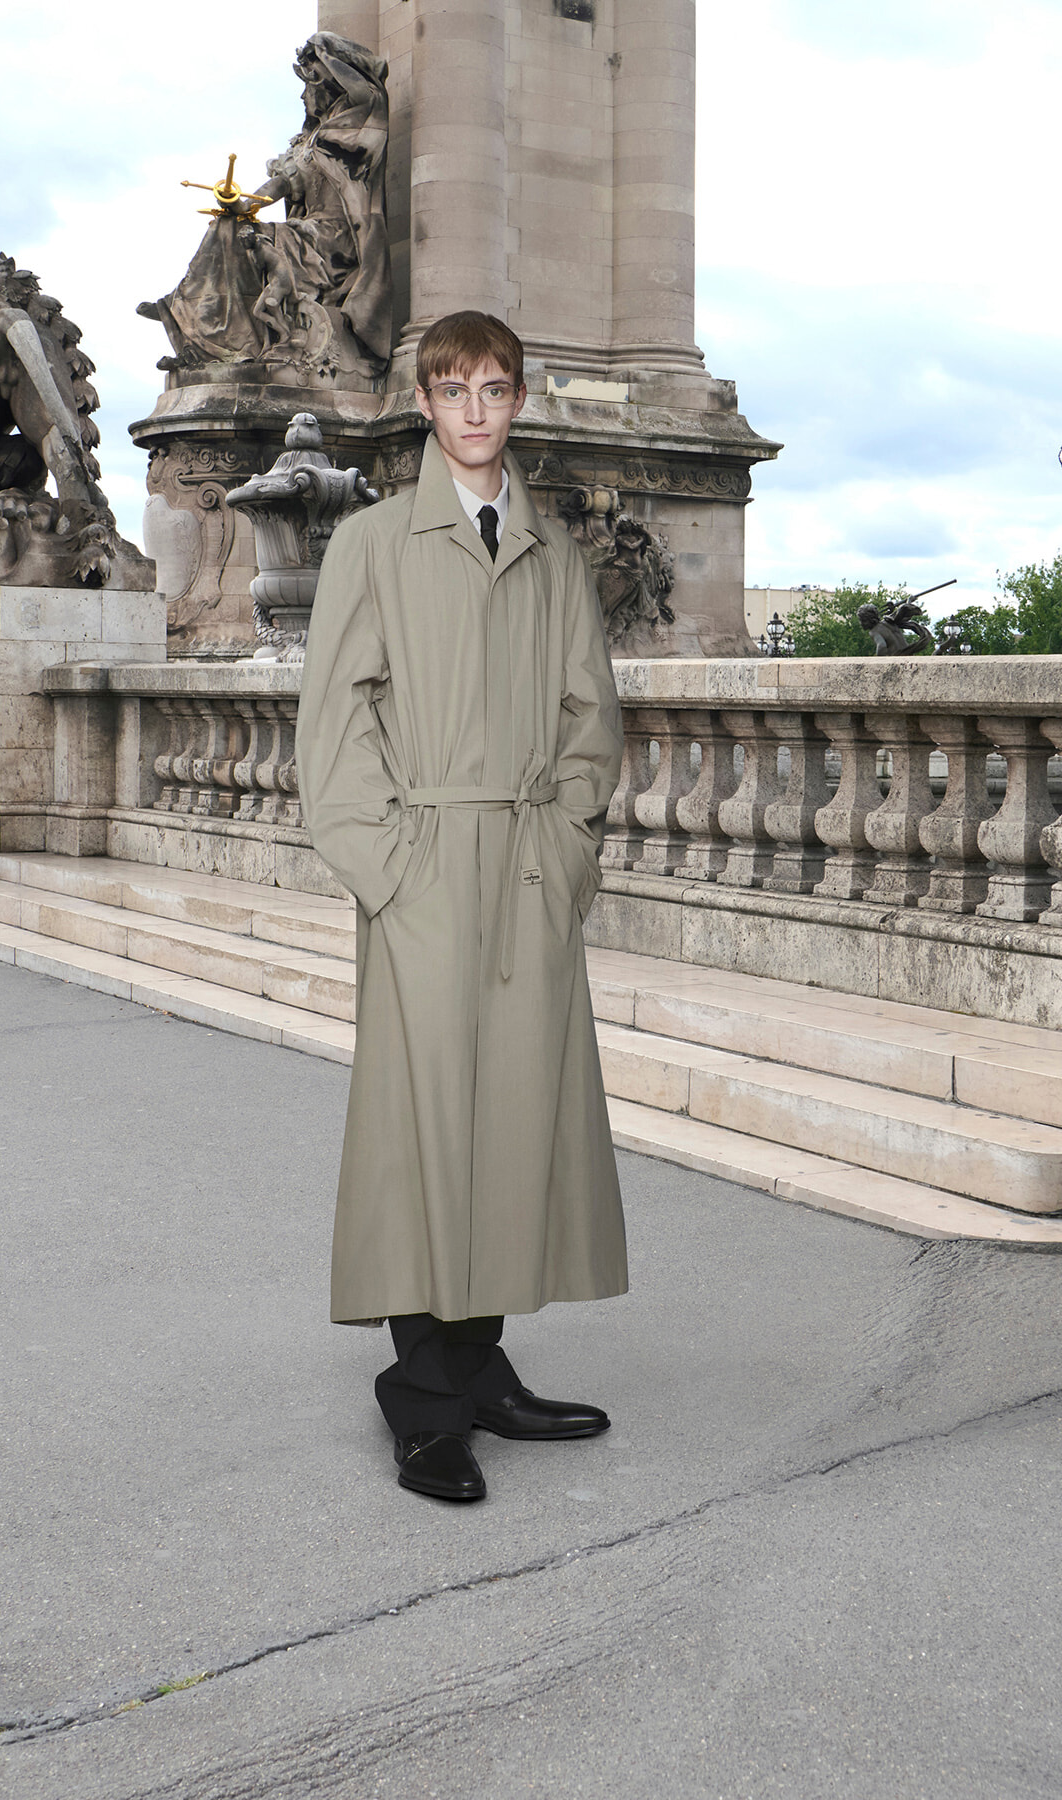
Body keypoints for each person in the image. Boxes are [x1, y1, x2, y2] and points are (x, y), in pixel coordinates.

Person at [296, 311, 627, 1504]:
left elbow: (595, 725)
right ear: (426, 405)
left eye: (495, 388)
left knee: (509, 1125)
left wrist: (565, 853)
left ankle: (481, 1368)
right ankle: (426, 1403)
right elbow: (332, 735)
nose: (476, 409)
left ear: (519, 399)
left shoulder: (556, 556)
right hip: (427, 870)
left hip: (529, 872)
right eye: (455, 389)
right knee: (419, 1131)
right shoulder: (373, 545)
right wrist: (395, 877)